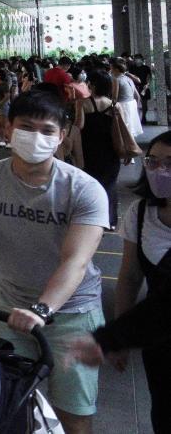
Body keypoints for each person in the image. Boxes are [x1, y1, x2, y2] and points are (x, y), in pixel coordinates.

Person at [0, 90, 108, 434]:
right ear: (7, 128)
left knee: (73, 413)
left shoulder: (84, 190)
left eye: (47, 130)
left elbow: (75, 261)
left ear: (62, 136)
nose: (37, 137)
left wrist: (43, 309)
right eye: (27, 127)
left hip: (73, 313)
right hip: (8, 305)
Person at [66, 131, 171, 433]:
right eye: (152, 162)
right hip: (159, 338)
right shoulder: (140, 214)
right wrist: (121, 336)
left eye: (170, 163)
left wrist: (113, 337)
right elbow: (129, 276)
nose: (160, 171)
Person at [77, 71, 123, 230]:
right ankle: (111, 221)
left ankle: (94, 218)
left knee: (92, 184)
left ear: (93, 85)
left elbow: (79, 126)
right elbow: (121, 129)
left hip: (89, 149)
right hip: (110, 150)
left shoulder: (82, 103)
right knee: (110, 184)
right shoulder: (115, 105)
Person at [111, 60, 143, 140]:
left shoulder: (116, 79)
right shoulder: (129, 79)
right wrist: (136, 107)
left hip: (123, 105)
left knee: (124, 129)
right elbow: (137, 96)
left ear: (117, 70)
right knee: (130, 128)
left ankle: (128, 148)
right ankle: (131, 146)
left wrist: (111, 108)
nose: (111, 71)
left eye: (112, 68)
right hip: (131, 105)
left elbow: (114, 97)